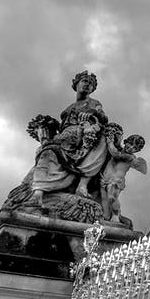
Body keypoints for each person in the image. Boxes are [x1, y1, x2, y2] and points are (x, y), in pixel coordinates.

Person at [29, 71, 110, 205]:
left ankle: (43, 190)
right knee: (46, 152)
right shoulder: (69, 108)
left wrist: (92, 112)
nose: (87, 85)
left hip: (80, 133)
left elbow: (104, 118)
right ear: (76, 84)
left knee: (50, 150)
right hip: (64, 136)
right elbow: (62, 126)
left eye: (91, 84)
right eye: (85, 81)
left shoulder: (94, 103)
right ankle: (38, 191)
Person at [100, 127, 147, 223]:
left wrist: (110, 142)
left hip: (116, 181)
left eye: (135, 148)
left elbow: (115, 154)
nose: (131, 148)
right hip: (105, 179)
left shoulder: (129, 157)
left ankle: (116, 215)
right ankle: (106, 216)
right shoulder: (121, 150)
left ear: (136, 151)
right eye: (130, 144)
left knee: (112, 197)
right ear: (126, 142)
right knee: (104, 200)